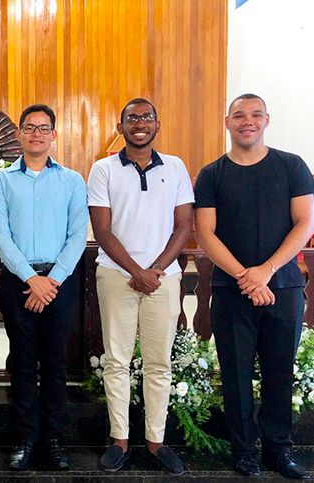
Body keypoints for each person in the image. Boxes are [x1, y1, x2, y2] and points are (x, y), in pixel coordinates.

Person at [194, 93, 314, 479]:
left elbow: (305, 223)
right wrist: (247, 277)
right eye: (239, 115)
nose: (248, 121)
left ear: (267, 120)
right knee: (236, 375)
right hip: (232, 291)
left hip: (284, 288)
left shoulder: (292, 166)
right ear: (227, 122)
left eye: (256, 115)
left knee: (279, 373)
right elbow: (206, 233)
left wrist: (266, 271)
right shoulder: (212, 174)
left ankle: (279, 451)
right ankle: (244, 451)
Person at [87, 98, 194, 475]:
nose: (139, 123)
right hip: (116, 275)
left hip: (163, 277)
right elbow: (102, 230)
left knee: (158, 362)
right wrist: (136, 270)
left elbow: (184, 225)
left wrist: (156, 269)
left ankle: (155, 441)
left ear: (157, 125)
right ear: (121, 127)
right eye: (131, 118)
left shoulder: (176, 166)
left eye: (146, 117)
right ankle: (119, 440)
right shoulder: (103, 169)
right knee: (116, 360)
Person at [0, 104, 87, 470]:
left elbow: (77, 235)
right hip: (18, 282)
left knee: (56, 364)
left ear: (53, 135)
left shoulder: (72, 180)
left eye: (44, 128)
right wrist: (32, 280)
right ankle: (25, 439)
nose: (36, 134)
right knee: (23, 363)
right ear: (19, 133)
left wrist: (51, 281)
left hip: (59, 283)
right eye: (29, 127)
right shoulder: (2, 181)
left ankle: (53, 440)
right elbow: (1, 236)